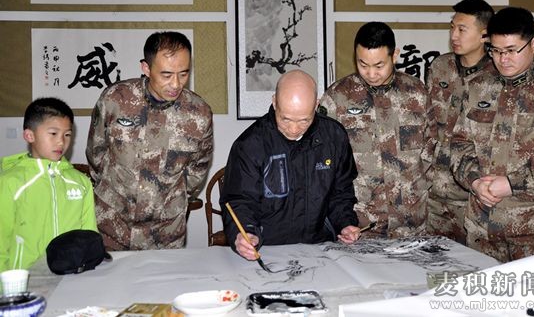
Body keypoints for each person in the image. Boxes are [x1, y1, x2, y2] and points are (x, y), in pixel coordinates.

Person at [450, 7, 534, 273]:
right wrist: (474, 181)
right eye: (496, 51)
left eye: (512, 50)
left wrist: (511, 184)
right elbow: (458, 144)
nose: (503, 59)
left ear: (533, 45)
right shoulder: (477, 87)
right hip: (483, 234)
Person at [87, 31, 213, 251]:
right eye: (166, 74)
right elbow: (96, 152)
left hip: (164, 233)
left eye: (183, 74)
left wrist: (169, 198)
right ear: (146, 68)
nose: (176, 84)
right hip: (112, 225)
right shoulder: (115, 99)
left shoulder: (199, 113)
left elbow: (198, 170)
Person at [221, 70, 360, 261]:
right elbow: (239, 200)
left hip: (319, 249)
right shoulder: (250, 144)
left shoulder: (334, 137)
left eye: (304, 120)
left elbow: (341, 192)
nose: (294, 129)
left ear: (316, 106)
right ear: (274, 102)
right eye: (285, 119)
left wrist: (345, 223)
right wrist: (245, 232)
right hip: (267, 249)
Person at [319, 22, 436, 238]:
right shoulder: (338, 98)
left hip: (410, 221)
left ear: (395, 56)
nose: (371, 74)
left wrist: (415, 188)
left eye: (379, 65)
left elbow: (431, 147)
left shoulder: (417, 93)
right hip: (360, 223)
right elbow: (324, 160)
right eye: (363, 64)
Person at [426, 0, 495, 244]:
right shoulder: (440, 67)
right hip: (435, 193)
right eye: (452, 27)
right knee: (436, 262)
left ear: (485, 35)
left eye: (462, 29)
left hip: (475, 196)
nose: (454, 35)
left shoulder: (497, 74)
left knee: (477, 263)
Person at [0, 98, 97, 271]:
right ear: (30, 135)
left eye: (67, 135)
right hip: (24, 278)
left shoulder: (81, 183)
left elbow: (89, 237)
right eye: (53, 133)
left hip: (70, 276)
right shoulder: (10, 182)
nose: (61, 142)